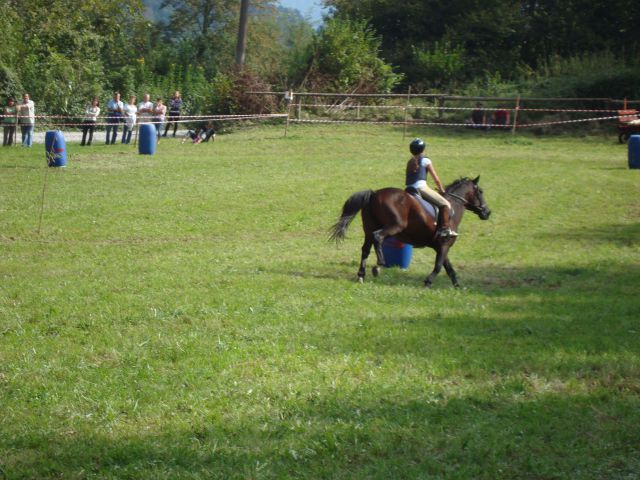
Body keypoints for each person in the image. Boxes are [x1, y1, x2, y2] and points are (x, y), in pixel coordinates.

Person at [405, 138, 457, 238]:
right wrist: (442, 190)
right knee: (445, 204)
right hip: (421, 188)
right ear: (423, 149)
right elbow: (436, 179)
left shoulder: (410, 161)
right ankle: (445, 229)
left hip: (409, 188)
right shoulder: (425, 160)